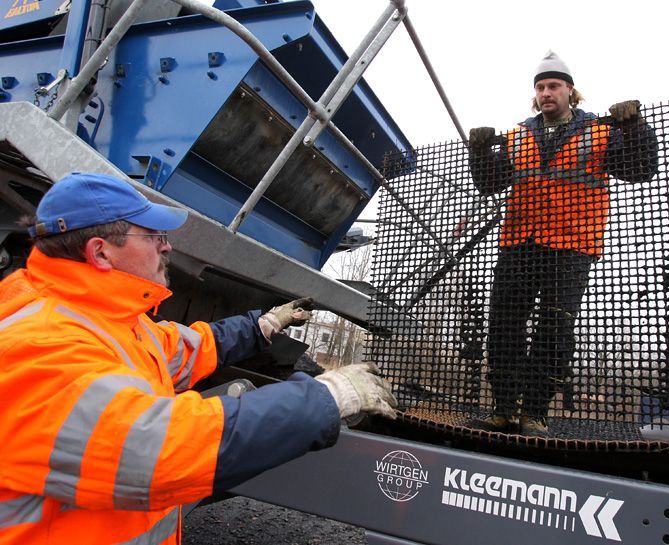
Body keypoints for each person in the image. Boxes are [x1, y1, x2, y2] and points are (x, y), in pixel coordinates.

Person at [0, 172, 397, 544]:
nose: (167, 245)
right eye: (153, 235)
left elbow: (189, 348)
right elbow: (159, 449)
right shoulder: (37, 345)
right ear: (101, 253)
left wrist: (266, 325)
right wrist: (327, 396)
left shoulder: (112, 322)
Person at [468, 51, 658, 434]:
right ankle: (503, 409)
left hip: (570, 246)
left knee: (553, 330)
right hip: (519, 242)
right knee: (504, 326)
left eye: (553, 85)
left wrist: (635, 127)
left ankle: (534, 412)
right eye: (540, 87)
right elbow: (490, 184)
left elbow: (641, 169)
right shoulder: (519, 135)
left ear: (570, 91)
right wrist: (479, 152)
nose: (546, 92)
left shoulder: (601, 131)